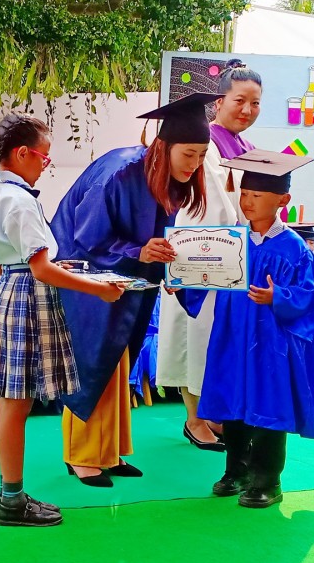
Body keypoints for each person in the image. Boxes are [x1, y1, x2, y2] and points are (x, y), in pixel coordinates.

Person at [51, 92, 215, 486]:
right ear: (164, 145)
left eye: (201, 156)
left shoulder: (170, 179)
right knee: (94, 360)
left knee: (120, 359)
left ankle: (109, 451)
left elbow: (160, 238)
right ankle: (82, 455)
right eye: (188, 154)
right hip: (86, 275)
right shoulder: (118, 172)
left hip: (131, 278)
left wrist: (173, 273)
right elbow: (85, 238)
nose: (194, 165)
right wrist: (140, 250)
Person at [0, 113, 124, 527]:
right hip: (26, 296)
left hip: (11, 291)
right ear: (22, 153)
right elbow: (40, 269)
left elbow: (29, 258)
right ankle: (11, 499)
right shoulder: (18, 199)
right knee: (15, 405)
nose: (46, 163)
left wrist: (63, 265)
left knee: (10, 404)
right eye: (44, 156)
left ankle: (11, 494)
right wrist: (98, 288)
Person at [181, 149, 314, 508]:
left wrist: (280, 296)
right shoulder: (232, 241)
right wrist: (182, 281)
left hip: (270, 342)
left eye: (257, 196)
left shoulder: (293, 248)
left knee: (267, 408)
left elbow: (310, 296)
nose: (247, 201)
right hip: (231, 335)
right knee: (232, 403)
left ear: (283, 200)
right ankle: (236, 471)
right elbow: (208, 274)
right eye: (244, 194)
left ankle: (267, 480)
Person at [157, 62, 260, 452]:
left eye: (255, 103)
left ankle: (213, 413)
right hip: (201, 253)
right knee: (194, 334)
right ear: (218, 102)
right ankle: (194, 418)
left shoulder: (249, 148)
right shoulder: (206, 144)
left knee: (220, 337)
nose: (247, 110)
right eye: (239, 101)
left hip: (235, 257)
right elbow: (205, 206)